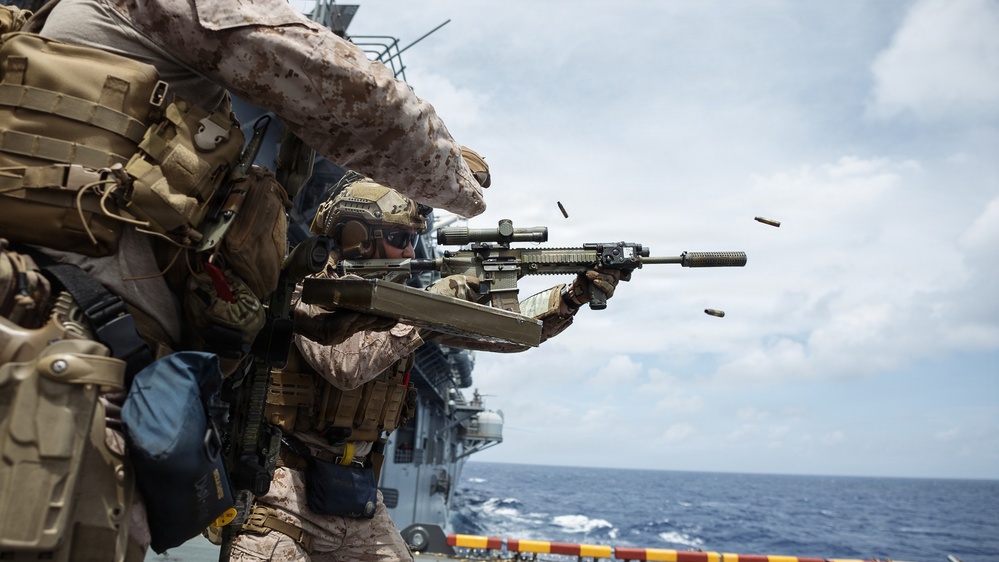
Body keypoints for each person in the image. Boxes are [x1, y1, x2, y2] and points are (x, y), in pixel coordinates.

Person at [0, 1, 489, 559]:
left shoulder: (49, 18)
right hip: (77, 351)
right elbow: (353, 93)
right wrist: (456, 182)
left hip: (59, 325)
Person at [229, 176, 624, 561]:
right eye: (399, 239)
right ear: (356, 237)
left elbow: (510, 335)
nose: (408, 253)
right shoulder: (303, 287)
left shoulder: (396, 304)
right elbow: (346, 365)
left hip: (355, 498)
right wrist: (428, 308)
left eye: (413, 241)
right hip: (281, 502)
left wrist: (571, 298)